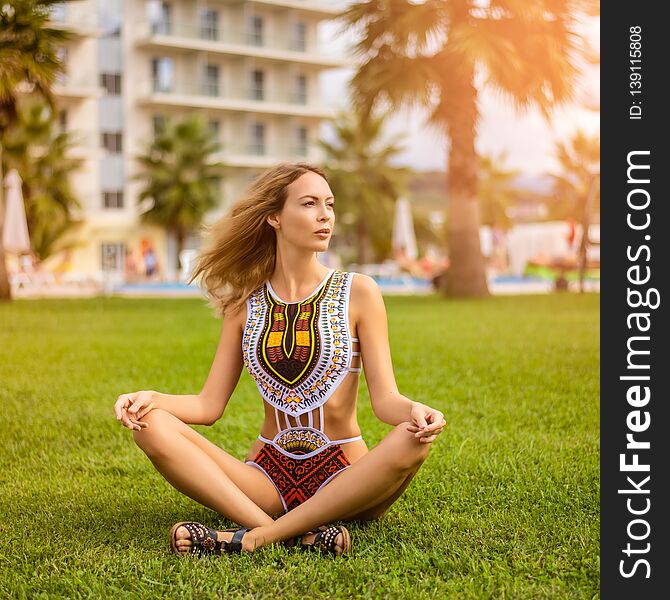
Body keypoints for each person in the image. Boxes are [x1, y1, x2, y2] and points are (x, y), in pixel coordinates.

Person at [113, 162, 446, 558]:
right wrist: (152, 398)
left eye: (329, 204)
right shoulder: (243, 303)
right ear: (274, 217)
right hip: (266, 476)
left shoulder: (359, 291)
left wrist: (415, 410)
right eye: (309, 204)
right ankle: (287, 533)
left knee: (413, 440)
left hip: (346, 477)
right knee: (148, 424)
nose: (325, 215)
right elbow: (208, 405)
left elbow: (385, 400)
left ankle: (251, 538)